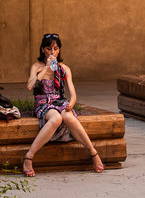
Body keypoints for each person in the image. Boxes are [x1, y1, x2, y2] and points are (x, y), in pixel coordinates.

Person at [22, 33, 104, 176]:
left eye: (55, 48)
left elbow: (72, 93)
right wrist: (46, 68)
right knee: (56, 118)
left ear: (59, 50)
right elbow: (30, 87)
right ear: (42, 49)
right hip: (43, 103)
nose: (52, 52)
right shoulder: (36, 66)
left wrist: (71, 104)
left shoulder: (64, 68)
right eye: (49, 49)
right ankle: (29, 157)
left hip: (60, 101)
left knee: (69, 117)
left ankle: (93, 153)